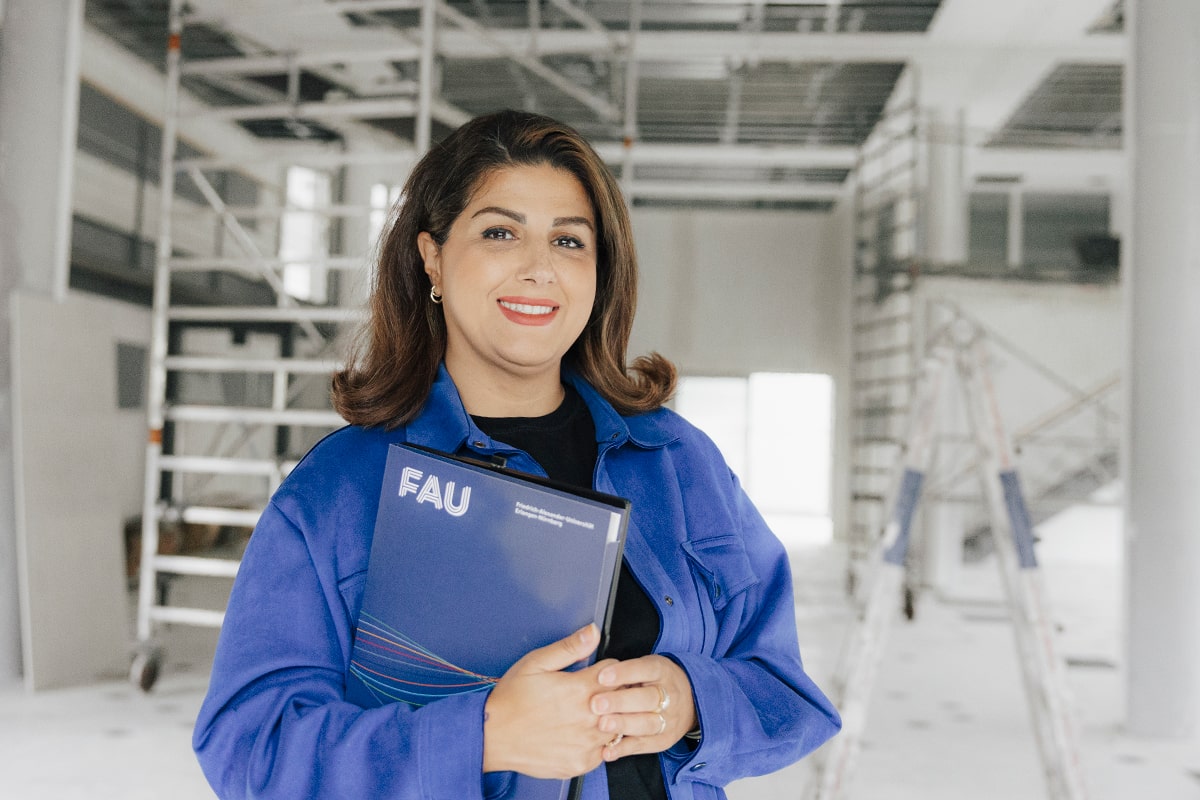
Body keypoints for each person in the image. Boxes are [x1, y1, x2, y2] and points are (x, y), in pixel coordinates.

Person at [192, 109, 840, 800]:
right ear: (432, 256)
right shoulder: (343, 490)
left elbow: (786, 692)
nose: (539, 269)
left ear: (599, 273)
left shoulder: (679, 463)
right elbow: (248, 748)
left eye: (569, 240)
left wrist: (690, 702)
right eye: (500, 232)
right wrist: (482, 736)